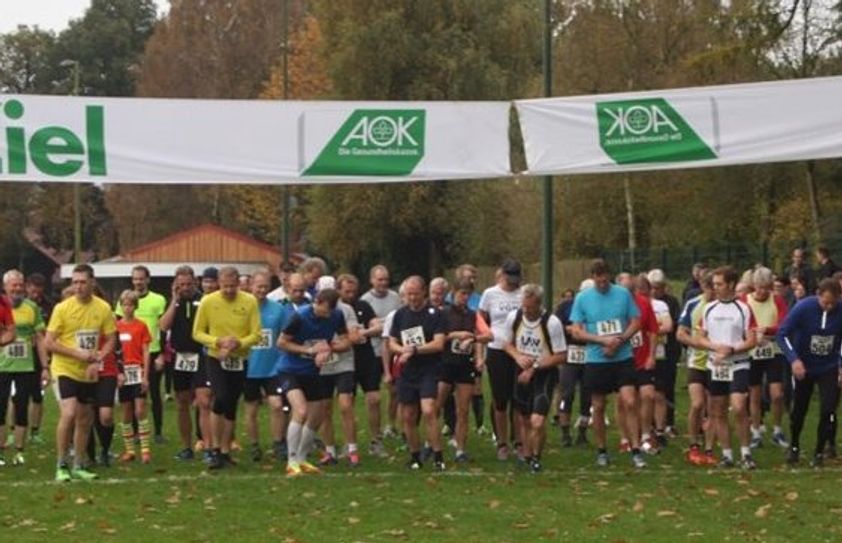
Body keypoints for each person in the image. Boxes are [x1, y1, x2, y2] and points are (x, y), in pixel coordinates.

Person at [570, 259, 645, 468]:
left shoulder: (622, 294)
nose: (602, 282)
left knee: (630, 401)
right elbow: (576, 330)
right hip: (597, 358)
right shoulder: (583, 298)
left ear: (609, 276)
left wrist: (619, 340)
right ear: (592, 277)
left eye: (605, 279)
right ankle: (602, 450)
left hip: (622, 356)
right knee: (599, 406)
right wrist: (601, 340)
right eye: (598, 279)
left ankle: (636, 449)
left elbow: (636, 322)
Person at [46, 264, 116, 481]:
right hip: (65, 368)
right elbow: (49, 342)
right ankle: (61, 463)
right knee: (69, 413)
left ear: (92, 282)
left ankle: (79, 464)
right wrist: (76, 354)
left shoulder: (103, 308)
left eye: (82, 282)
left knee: (85, 418)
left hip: (87, 371)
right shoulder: (62, 309)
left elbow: (111, 338)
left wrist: (99, 358)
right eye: (74, 282)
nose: (78, 286)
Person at [192, 266, 261, 470]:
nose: (229, 290)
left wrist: (238, 343)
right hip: (216, 358)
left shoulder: (249, 301)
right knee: (220, 397)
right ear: (218, 284)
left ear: (239, 284)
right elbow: (197, 333)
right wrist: (218, 342)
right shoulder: (208, 301)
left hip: (239, 358)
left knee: (231, 403)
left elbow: (256, 334)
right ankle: (212, 448)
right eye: (225, 286)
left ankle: (225, 451)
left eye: (233, 286)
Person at [277, 288, 350, 477]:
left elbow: (346, 342)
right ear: (316, 302)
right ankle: (291, 461)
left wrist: (328, 348)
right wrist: (309, 350)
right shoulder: (299, 316)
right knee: (300, 411)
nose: (324, 316)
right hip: (290, 370)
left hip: (313, 372)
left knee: (317, 415)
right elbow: (282, 343)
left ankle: (302, 458)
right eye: (321, 310)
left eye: (328, 313)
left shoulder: (337, 316)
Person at [695, 266, 758, 469]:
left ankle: (746, 453)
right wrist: (716, 347)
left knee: (739, 407)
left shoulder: (744, 309)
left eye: (719, 284)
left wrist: (731, 349)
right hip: (715, 365)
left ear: (731, 284)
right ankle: (727, 454)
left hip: (738, 363)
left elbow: (752, 340)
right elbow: (700, 338)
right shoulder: (709, 308)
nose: (716, 288)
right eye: (714, 284)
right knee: (717, 410)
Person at [502, 284, 567, 473]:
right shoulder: (514, 317)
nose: (526, 311)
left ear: (539, 304)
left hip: (544, 374)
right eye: (524, 306)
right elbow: (506, 343)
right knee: (524, 418)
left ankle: (537, 458)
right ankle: (527, 455)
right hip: (520, 372)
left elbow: (562, 355)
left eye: (530, 307)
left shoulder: (552, 323)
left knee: (537, 420)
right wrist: (518, 357)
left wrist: (535, 366)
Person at [778, 278, 842, 466]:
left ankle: (820, 451)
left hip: (828, 367)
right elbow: (782, 334)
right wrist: (794, 359)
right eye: (825, 302)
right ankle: (794, 446)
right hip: (804, 366)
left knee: (829, 409)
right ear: (818, 296)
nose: (829, 307)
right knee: (799, 408)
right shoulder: (803, 308)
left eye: (833, 303)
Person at [389, 276, 446, 471]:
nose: (412, 298)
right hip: (407, 371)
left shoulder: (435, 314)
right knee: (408, 415)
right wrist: (401, 350)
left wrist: (414, 350)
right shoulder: (400, 315)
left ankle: (438, 456)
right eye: (408, 294)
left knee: (429, 410)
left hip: (428, 369)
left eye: (415, 293)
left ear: (423, 292)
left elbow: (439, 343)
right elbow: (392, 342)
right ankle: (415, 456)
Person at [159, 265, 213, 461]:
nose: (185, 288)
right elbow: (163, 326)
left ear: (195, 282)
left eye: (189, 284)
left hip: (202, 356)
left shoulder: (204, 300)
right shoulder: (175, 302)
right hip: (180, 357)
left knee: (204, 401)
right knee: (182, 402)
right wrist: (175, 300)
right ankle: (186, 447)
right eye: (181, 285)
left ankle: (208, 447)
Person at [437, 278, 490, 463]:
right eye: (461, 294)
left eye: (467, 294)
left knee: (463, 409)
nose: (464, 298)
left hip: (464, 365)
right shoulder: (443, 313)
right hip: (445, 363)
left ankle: (460, 449)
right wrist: (455, 335)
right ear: (453, 293)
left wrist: (474, 339)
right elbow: (438, 338)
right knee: (436, 406)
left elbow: (488, 335)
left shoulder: (472, 315)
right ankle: (431, 444)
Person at [0, 270, 48, 466]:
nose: (17, 288)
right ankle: (1, 452)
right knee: (0, 409)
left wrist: (45, 366)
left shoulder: (32, 308)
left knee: (21, 408)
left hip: (26, 367)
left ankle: (19, 451)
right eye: (14, 285)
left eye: (20, 284)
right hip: (2, 366)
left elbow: (40, 337)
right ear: (5, 287)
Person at [115, 266, 167, 443]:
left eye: (141, 279)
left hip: (152, 352)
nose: (138, 282)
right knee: (131, 395)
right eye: (135, 279)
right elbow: (117, 330)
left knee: (153, 392)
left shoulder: (158, 299)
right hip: (130, 355)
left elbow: (164, 328)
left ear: (148, 279)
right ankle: (136, 434)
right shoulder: (124, 300)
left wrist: (162, 353)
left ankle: (158, 431)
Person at [479, 259, 524, 461]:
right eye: (510, 276)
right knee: (500, 399)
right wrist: (479, 351)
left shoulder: (524, 293)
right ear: (503, 275)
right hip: (497, 349)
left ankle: (519, 441)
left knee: (519, 398)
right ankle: (502, 442)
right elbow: (480, 321)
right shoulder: (490, 294)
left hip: (519, 350)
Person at [337, 274, 387, 457]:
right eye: (346, 291)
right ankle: (348, 442)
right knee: (346, 403)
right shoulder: (336, 310)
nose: (350, 294)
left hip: (366, 358)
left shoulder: (363, 306)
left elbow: (378, 327)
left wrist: (362, 332)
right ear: (338, 291)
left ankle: (376, 440)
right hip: (345, 360)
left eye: (353, 291)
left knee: (374, 399)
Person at [316, 276, 362, 467]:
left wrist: (335, 346)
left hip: (343, 363)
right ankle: (329, 450)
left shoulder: (346, 310)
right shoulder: (313, 310)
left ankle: (352, 449)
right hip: (323, 365)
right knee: (325, 408)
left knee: (345, 405)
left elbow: (351, 337)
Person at [742, 267, 789, 449]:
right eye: (759, 287)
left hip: (773, 351)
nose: (762, 291)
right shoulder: (745, 301)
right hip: (753, 352)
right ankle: (755, 431)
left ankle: (777, 429)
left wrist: (767, 331)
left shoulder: (777, 301)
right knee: (754, 394)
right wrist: (755, 334)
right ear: (754, 285)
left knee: (777, 394)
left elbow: (784, 323)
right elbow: (742, 324)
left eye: (766, 288)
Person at [243, 270, 287, 463]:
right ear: (251, 286)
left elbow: (285, 335)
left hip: (273, 368)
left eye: (265, 287)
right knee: (251, 408)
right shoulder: (243, 309)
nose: (262, 290)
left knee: (277, 405)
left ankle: (278, 443)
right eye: (258, 286)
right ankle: (254, 445)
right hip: (249, 368)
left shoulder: (278, 309)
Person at [677, 271, 717, 466]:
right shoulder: (693, 304)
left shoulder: (722, 307)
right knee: (697, 404)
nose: (711, 291)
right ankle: (693, 445)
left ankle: (709, 448)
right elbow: (680, 333)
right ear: (702, 287)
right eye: (707, 287)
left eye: (714, 287)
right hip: (697, 362)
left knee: (713, 407)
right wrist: (697, 343)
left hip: (717, 362)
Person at [361, 265, 401, 437]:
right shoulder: (365, 300)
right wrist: (384, 326)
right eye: (380, 279)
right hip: (372, 352)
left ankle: (390, 425)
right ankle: (374, 434)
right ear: (372, 280)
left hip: (393, 350)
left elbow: (399, 323)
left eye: (386, 279)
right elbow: (366, 328)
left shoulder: (396, 297)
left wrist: (382, 326)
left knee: (394, 391)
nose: (383, 283)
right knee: (373, 396)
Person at [115, 290, 153, 464]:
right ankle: (130, 450)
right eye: (124, 304)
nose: (127, 308)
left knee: (140, 409)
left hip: (137, 371)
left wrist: (146, 375)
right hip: (123, 373)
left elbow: (146, 351)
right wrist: (117, 372)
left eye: (130, 304)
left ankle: (145, 448)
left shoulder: (141, 326)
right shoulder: (116, 327)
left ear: (135, 306)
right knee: (126, 412)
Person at [555, 279, 593, 447]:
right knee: (567, 392)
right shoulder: (566, 306)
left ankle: (583, 432)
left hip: (591, 352)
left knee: (587, 394)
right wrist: (568, 328)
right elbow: (555, 325)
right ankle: (565, 431)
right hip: (571, 352)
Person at [648, 269, 681, 441]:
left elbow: (673, 325)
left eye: (658, 288)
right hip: (651, 351)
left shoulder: (671, 302)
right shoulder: (645, 303)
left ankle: (669, 422)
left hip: (669, 351)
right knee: (650, 389)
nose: (655, 291)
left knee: (667, 387)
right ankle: (652, 423)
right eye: (652, 287)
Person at [24, 272, 52, 443]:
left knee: (37, 395)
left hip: (39, 356)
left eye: (38, 292)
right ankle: (14, 431)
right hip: (19, 357)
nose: (35, 295)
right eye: (33, 291)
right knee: (17, 396)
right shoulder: (17, 305)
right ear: (27, 287)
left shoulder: (49, 306)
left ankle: (35, 432)